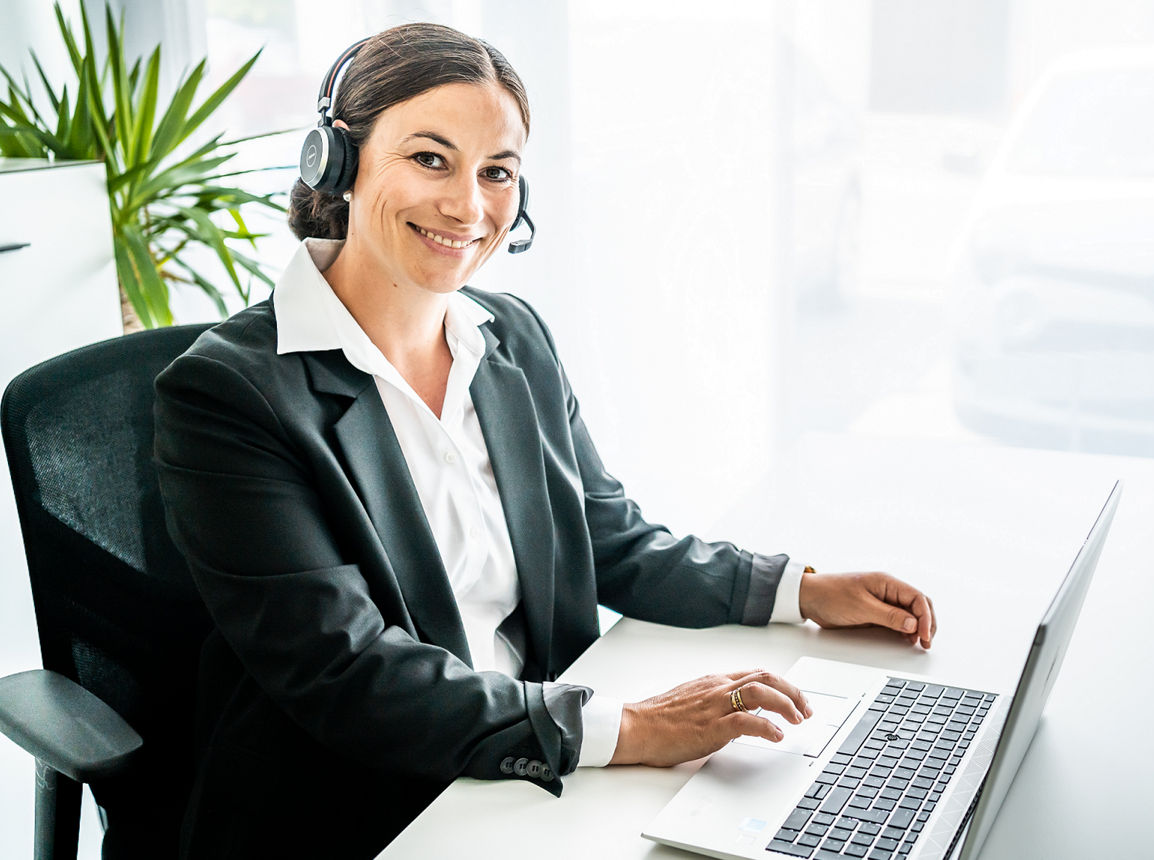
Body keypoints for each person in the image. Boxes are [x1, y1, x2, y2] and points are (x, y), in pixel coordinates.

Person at [153, 22, 937, 860]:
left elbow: (611, 538)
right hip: (369, 803)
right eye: (430, 159)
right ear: (335, 164)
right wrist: (630, 727)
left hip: (538, 764)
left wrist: (800, 592)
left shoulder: (509, 339)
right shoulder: (229, 396)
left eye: (498, 172)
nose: (469, 206)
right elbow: (347, 673)